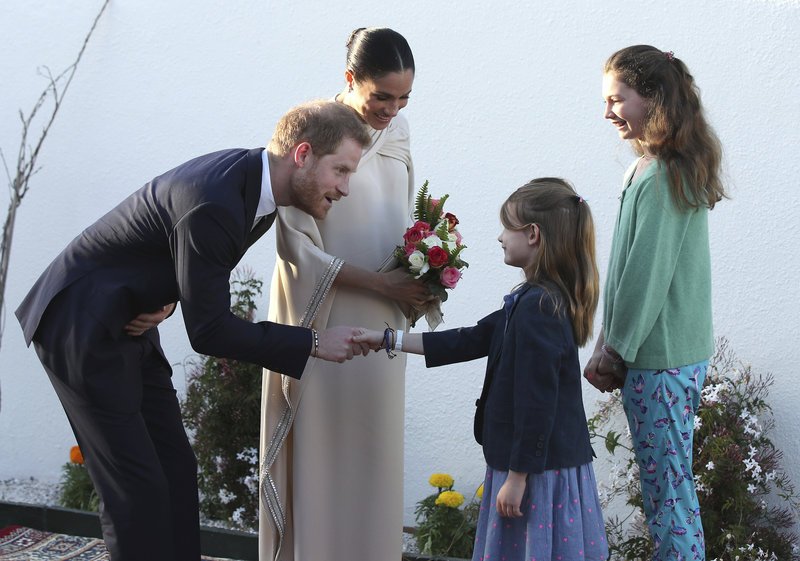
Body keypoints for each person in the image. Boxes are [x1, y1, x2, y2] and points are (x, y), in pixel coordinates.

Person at [15, 99, 373, 561]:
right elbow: (209, 332)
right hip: (79, 323)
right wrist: (315, 342)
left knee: (176, 468)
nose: (345, 188)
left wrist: (164, 300)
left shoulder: (257, 192)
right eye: (340, 171)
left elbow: (186, 264)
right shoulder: (219, 199)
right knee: (135, 489)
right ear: (302, 154)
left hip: (129, 319)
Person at [355, 178, 609, 561]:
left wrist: (518, 478)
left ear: (534, 234)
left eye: (507, 227)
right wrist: (385, 339)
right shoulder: (532, 300)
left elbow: (538, 400)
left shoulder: (538, 308)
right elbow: (469, 339)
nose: (500, 237)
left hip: (537, 473)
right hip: (537, 466)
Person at [259, 27, 426, 561]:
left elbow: (402, 221)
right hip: (321, 319)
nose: (391, 109)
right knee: (323, 453)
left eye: (403, 99)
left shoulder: (398, 134)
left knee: (373, 454)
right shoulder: (308, 133)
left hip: (383, 322)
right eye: (382, 96)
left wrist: (424, 270)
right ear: (351, 79)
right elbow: (296, 247)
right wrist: (380, 281)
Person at [585, 45, 727, 559]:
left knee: (669, 491)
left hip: (660, 359)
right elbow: (624, 269)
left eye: (616, 99)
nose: (607, 113)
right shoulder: (649, 169)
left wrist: (615, 349)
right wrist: (607, 340)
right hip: (657, 356)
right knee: (667, 487)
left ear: (651, 97)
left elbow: (645, 277)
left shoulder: (664, 174)